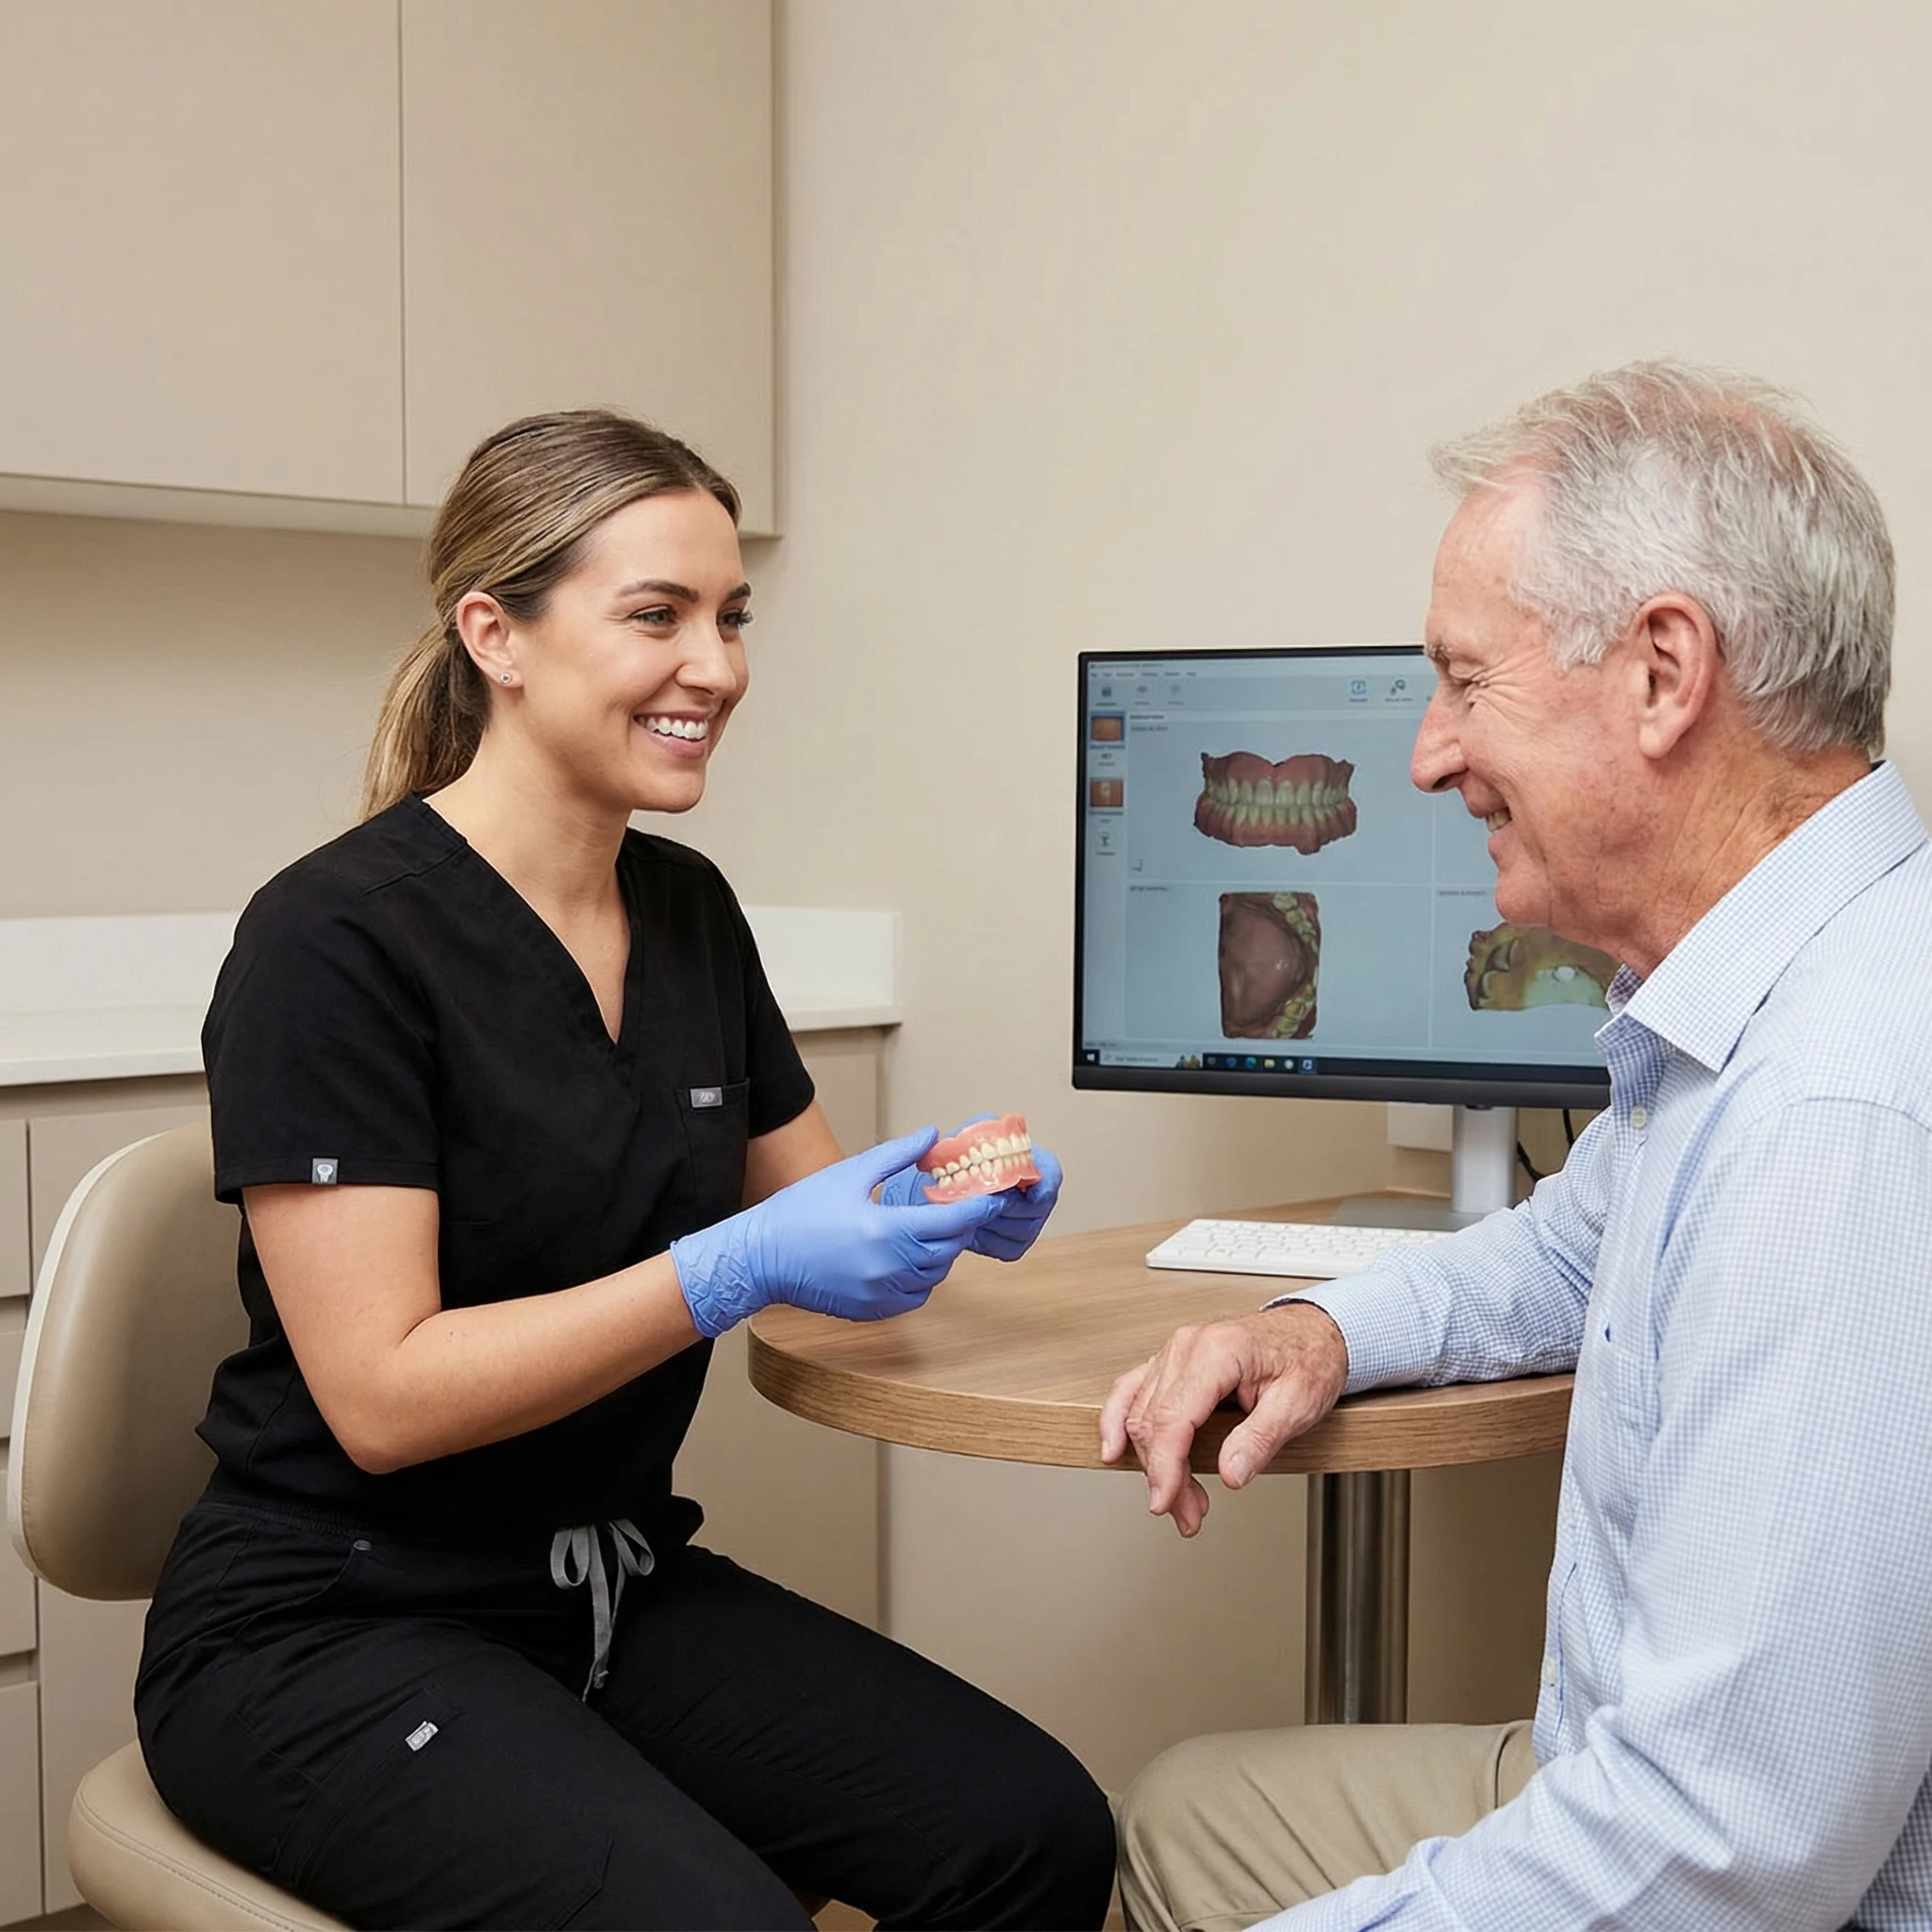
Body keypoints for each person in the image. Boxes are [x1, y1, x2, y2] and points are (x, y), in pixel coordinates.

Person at [134, 408, 1115, 1931]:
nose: (715, 667)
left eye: (729, 617)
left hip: (602, 1586)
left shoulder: (688, 912)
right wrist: (731, 1265)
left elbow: (824, 1231)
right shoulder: (335, 943)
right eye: (655, 614)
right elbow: (385, 1401)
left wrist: (941, 1211)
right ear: (496, 635)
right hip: (326, 1623)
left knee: (1030, 1830)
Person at [1103, 362, 1932, 1930]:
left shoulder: (1837, 1116)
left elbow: (1727, 1850)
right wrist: (1321, 1331)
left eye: (1465, 684)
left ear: (1662, 672)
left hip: (1744, 1873)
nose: (1425, 755)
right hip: (1632, 1777)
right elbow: (1570, 1246)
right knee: (1179, 1816)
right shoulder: (1767, 995)